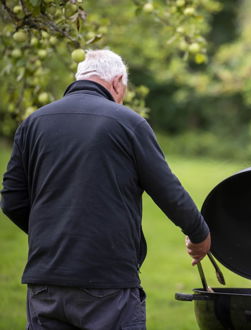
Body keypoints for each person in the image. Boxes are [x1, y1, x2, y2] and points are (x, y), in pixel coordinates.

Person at [0, 49, 211, 330]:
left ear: (80, 78)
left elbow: (12, 200)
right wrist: (199, 234)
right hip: (107, 282)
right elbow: (167, 190)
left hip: (45, 281)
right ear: (117, 81)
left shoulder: (33, 123)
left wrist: (55, 233)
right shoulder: (128, 122)